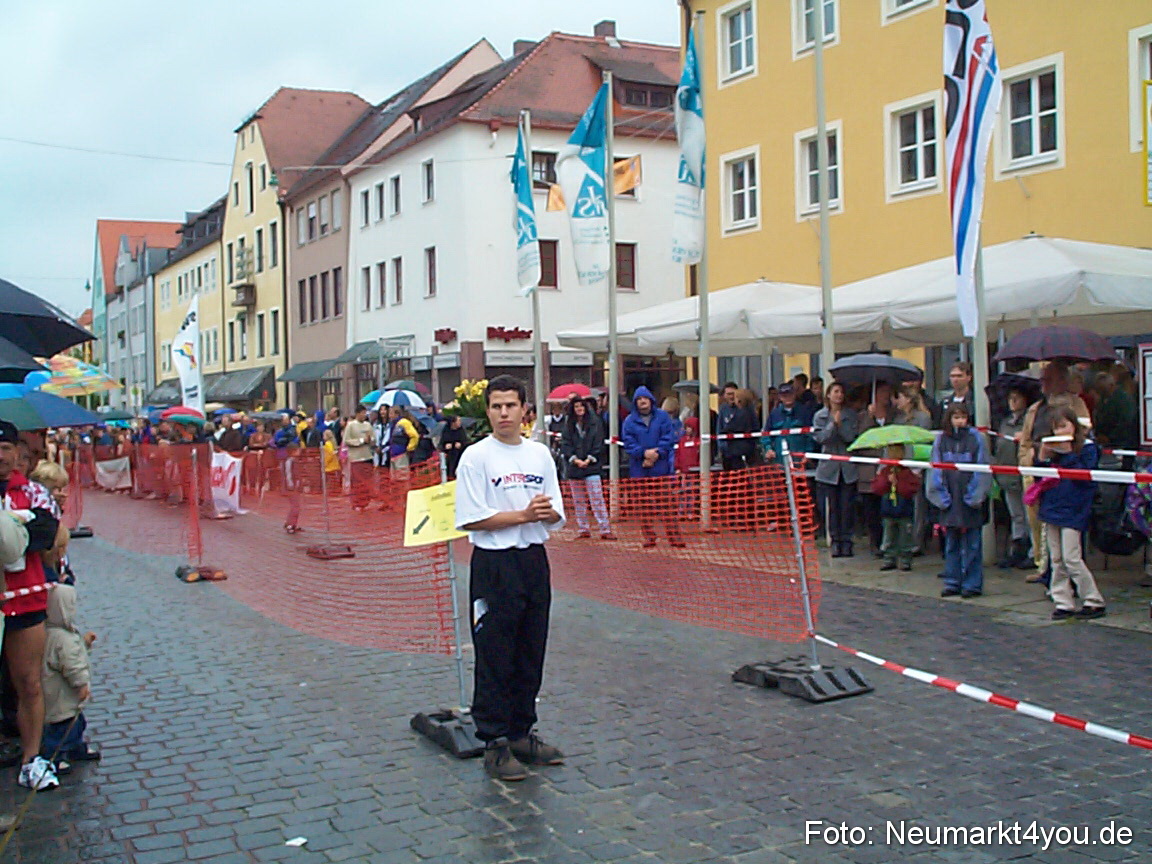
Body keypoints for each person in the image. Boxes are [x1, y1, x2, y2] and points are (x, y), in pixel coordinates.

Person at [453, 376, 566, 783]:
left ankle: (521, 731)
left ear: (524, 410)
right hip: (494, 564)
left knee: (530, 647)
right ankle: (495, 741)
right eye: (496, 406)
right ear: (487, 411)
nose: (504, 413)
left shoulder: (539, 456)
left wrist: (543, 512)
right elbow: (471, 516)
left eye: (511, 406)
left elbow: (556, 512)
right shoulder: (476, 457)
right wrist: (522, 515)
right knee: (496, 651)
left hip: (533, 560)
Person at [0, 420, 61, 790]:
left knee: (29, 683)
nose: (1, 456)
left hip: (24, 598)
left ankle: (31, 759)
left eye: (6, 448)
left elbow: (45, 534)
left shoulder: (34, 492)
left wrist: (13, 532)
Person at [1018, 361, 1091, 581]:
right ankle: (1043, 566)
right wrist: (1026, 461)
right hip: (1038, 470)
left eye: (1047, 379)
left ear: (1061, 379)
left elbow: (1084, 432)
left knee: (1065, 531)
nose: (1043, 384)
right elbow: (1026, 438)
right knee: (1038, 521)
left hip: (1066, 472)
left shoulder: (1075, 404)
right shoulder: (1036, 408)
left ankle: (1068, 576)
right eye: (1041, 380)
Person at [1036, 407, 1106, 620]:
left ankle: (1093, 599)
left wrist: (1068, 455)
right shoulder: (1053, 449)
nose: (1060, 432)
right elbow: (1040, 479)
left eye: (1064, 426)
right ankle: (1062, 601)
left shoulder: (1087, 449)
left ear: (1074, 426)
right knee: (1056, 558)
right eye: (1056, 428)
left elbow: (1084, 476)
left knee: (1072, 557)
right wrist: (1042, 458)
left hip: (1074, 508)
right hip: (1053, 506)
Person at [927, 404, 991, 599]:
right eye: (956, 417)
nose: (960, 421)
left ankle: (972, 583)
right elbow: (935, 469)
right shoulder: (941, 440)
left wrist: (975, 497)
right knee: (951, 544)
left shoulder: (976, 439)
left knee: (972, 544)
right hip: (949, 501)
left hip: (969, 501)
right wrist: (940, 498)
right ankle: (952, 580)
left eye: (963, 417)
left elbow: (982, 468)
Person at [41, 584, 99, 770]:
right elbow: (72, 665)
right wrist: (81, 684)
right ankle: (54, 758)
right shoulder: (63, 639)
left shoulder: (49, 633)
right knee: (64, 727)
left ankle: (75, 748)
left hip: (55, 694)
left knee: (75, 723)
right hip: (63, 694)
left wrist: (84, 643)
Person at [621, 386, 684, 548]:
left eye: (645, 398)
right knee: (643, 506)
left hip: (660, 468)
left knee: (667, 504)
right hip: (639, 469)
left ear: (651, 400)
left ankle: (674, 536)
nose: (642, 402)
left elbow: (669, 437)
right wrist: (643, 454)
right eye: (639, 399)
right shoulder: (629, 421)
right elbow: (628, 443)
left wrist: (656, 453)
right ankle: (649, 536)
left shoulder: (662, 417)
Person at [812, 382, 859, 558]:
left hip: (846, 468)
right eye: (836, 392)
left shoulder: (850, 415)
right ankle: (835, 541)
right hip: (828, 469)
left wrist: (841, 426)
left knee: (846, 507)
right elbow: (821, 438)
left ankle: (847, 541)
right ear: (829, 395)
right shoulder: (820, 416)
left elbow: (850, 437)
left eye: (841, 392)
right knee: (831, 508)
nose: (839, 395)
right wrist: (833, 425)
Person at [560, 398, 614, 540]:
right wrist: (575, 460)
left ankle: (605, 528)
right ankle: (583, 528)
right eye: (576, 406)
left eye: (581, 406)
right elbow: (565, 445)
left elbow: (599, 443)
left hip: (592, 467)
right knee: (579, 500)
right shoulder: (568, 426)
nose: (579, 409)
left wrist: (589, 459)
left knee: (597, 497)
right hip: (575, 468)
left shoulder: (595, 423)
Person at [995, 388, 1032, 569]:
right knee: (1015, 514)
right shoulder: (1005, 422)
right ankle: (1017, 547)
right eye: (1011, 398)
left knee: (1029, 514)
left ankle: (1032, 551)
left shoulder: (1029, 420)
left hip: (1024, 472)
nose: (1013, 402)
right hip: (1007, 472)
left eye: (1017, 398)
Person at [856, 382, 894, 557]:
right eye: (882, 392)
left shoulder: (894, 415)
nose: (885, 396)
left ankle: (889, 543)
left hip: (889, 469)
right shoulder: (863, 416)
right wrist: (868, 419)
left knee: (888, 508)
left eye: (888, 392)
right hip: (869, 470)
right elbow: (859, 441)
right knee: (871, 510)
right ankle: (874, 541)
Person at [872, 444, 921, 571]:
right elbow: (877, 488)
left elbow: (911, 489)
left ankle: (905, 560)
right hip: (888, 510)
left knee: (905, 537)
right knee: (888, 536)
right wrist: (887, 481)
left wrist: (898, 483)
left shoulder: (907, 472)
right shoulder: (884, 471)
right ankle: (889, 558)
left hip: (904, 510)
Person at [764, 382, 815, 463]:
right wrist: (768, 449)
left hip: (800, 460)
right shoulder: (774, 414)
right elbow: (766, 434)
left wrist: (808, 453)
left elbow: (810, 435)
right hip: (779, 460)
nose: (787, 398)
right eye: (784, 396)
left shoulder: (804, 412)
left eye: (790, 395)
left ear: (794, 395)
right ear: (780, 397)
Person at [344, 406, 375, 510]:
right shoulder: (350, 425)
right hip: (356, 458)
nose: (364, 415)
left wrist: (371, 440)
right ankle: (356, 502)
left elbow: (373, 438)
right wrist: (361, 441)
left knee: (366, 481)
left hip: (367, 457)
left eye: (365, 413)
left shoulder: (368, 425)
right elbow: (347, 440)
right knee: (357, 482)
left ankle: (365, 502)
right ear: (357, 413)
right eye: (362, 413)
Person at [721, 389, 760, 471]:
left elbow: (731, 427)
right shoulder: (752, 412)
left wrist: (724, 432)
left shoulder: (741, 414)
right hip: (749, 448)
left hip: (738, 450)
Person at [386, 405, 419, 471]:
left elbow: (414, 436)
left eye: (391, 413)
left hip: (401, 453)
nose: (389, 416)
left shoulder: (404, 423)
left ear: (397, 414)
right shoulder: (393, 424)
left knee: (402, 476)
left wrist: (409, 448)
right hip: (393, 453)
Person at [439, 415, 470, 480]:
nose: (460, 422)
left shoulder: (461, 430)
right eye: (458, 421)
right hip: (450, 455)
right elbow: (441, 443)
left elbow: (466, 441)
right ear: (453, 423)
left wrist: (461, 444)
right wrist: (445, 447)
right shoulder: (446, 430)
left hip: (460, 454)